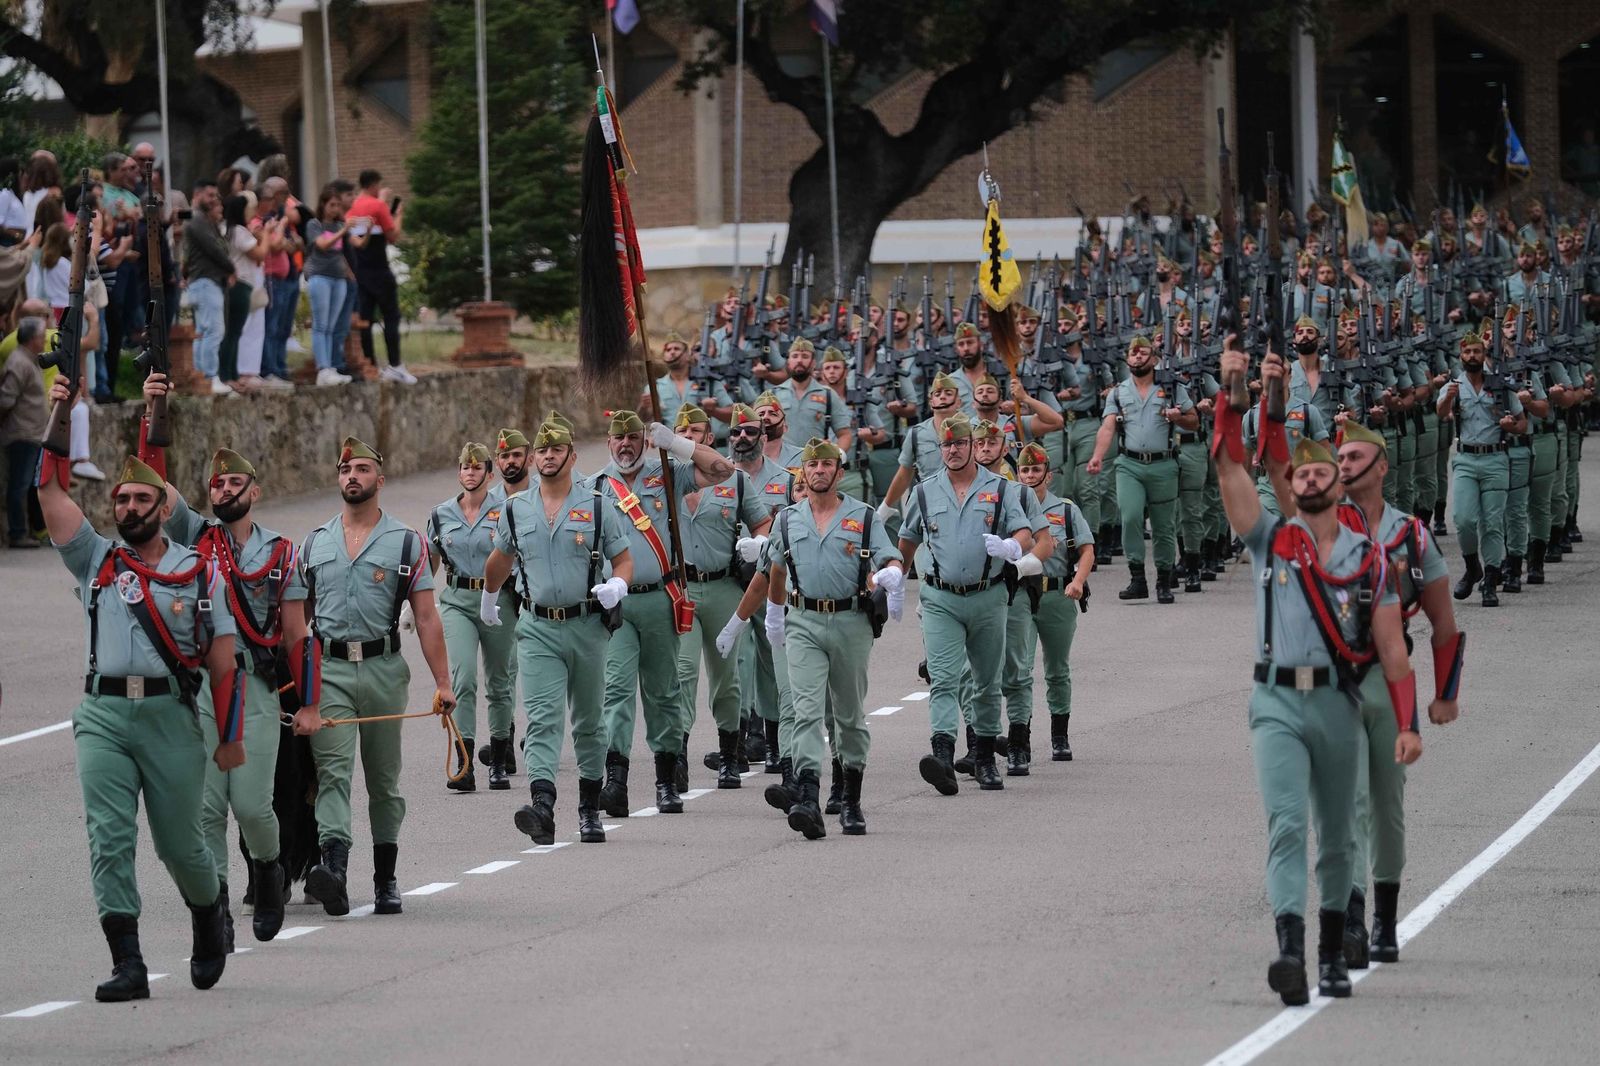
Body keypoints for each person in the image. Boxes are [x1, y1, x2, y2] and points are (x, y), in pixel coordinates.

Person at [1210, 341, 1417, 1006]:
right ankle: (1291, 953)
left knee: (1338, 832)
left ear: (1336, 481)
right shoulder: (1271, 539)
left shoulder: (1368, 559)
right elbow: (1230, 473)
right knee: (1288, 827)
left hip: (1339, 705)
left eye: (1316, 471)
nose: (1303, 478)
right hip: (1276, 701)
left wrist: (1406, 723)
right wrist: (1231, 393)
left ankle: (1333, 952)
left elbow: (1392, 651)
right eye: (1294, 474)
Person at [35, 410, 243, 1002]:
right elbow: (47, 487)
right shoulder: (95, 560)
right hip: (102, 717)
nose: (126, 507)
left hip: (169, 718)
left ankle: (207, 913)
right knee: (109, 838)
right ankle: (128, 961)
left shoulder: (199, 573)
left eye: (139, 498)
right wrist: (59, 404)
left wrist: (230, 737)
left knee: (179, 844)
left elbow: (223, 667)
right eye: (120, 499)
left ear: (160, 506)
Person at [146, 397, 312, 948]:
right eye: (215, 486)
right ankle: (213, 903)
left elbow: (295, 636)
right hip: (202, 692)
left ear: (254, 491)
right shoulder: (196, 538)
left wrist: (308, 704)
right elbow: (154, 484)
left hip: (255, 691)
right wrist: (155, 409)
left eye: (233, 484)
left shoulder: (281, 552)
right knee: (207, 808)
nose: (222, 492)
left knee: (251, 805)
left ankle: (269, 871)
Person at [291, 438, 456, 917]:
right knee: (332, 775)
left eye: (362, 469)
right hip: (331, 671)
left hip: (384, 670)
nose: (352, 476)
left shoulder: (407, 542)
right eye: (345, 469)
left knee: (384, 781)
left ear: (379, 481)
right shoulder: (315, 543)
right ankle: (335, 872)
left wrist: (444, 684)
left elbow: (426, 617)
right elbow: (298, 622)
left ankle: (386, 878)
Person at [1332, 422, 1463, 968]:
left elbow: (1443, 621)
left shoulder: (1412, 536)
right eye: (1337, 456)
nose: (1343, 465)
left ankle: (1385, 919)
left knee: (1386, 805)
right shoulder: (1323, 527)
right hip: (1338, 679)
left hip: (1391, 676)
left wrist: (1446, 693)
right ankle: (1354, 920)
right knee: (1348, 803)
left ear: (1381, 466)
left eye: (1355, 455)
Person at [482, 415, 633, 845]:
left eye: (557, 449)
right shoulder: (515, 508)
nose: (549, 456)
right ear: (534, 458)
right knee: (543, 720)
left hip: (587, 625)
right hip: (537, 628)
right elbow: (500, 558)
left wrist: (618, 583)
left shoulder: (598, 505)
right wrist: (489, 597)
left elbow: (623, 558)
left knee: (588, 721)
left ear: (572, 454)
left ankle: (589, 809)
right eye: (542, 450)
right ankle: (543, 806)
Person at [758, 438, 903, 837]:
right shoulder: (787, 520)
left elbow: (889, 556)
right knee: (806, 711)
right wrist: (773, 614)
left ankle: (851, 800)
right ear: (802, 472)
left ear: (840, 473)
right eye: (812, 465)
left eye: (827, 465)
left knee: (848, 715)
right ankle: (807, 797)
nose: (819, 471)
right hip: (803, 620)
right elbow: (775, 571)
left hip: (851, 622)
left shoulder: (865, 517)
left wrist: (892, 572)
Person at [595, 410, 735, 816]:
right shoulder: (596, 487)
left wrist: (677, 444)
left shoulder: (668, 473)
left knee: (664, 692)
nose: (626, 445)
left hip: (660, 597)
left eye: (634, 438)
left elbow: (722, 470)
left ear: (645, 440)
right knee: (617, 691)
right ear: (608, 443)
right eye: (618, 439)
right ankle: (615, 781)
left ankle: (666, 780)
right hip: (617, 605)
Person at [898, 413, 1041, 794]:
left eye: (960, 443)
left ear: (973, 447)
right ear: (940, 449)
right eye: (947, 444)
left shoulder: (1000, 488)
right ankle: (942, 756)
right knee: (944, 678)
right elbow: (907, 540)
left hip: (988, 595)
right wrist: (895, 579)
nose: (954, 450)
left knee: (987, 682)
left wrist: (1013, 546)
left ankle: (983, 758)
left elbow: (1026, 532)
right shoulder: (925, 491)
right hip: (941, 597)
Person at [669, 404, 771, 787]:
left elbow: (763, 522)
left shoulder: (735, 479)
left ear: (709, 439)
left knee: (727, 677)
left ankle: (731, 753)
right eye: (683, 433)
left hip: (724, 586)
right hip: (681, 589)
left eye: (696, 432)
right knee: (681, 673)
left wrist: (758, 543)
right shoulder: (663, 479)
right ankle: (676, 756)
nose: (690, 438)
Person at [426, 442, 517, 791]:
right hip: (458, 599)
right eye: (465, 467)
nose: (470, 472)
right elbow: (430, 560)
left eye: (477, 467)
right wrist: (413, 603)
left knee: (499, 679)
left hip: (497, 598)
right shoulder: (441, 514)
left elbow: (517, 555)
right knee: (461, 677)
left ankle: (497, 759)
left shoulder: (507, 509)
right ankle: (464, 762)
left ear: (489, 474)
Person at [1086, 335, 1198, 604]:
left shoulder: (1172, 388)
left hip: (1164, 464)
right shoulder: (1118, 392)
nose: (1137, 356)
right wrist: (1097, 457)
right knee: (1131, 516)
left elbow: (1194, 421)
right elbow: (1108, 427)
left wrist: (1178, 417)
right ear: (1127, 358)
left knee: (1163, 525)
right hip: (1129, 465)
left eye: (1142, 352)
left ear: (1154, 357)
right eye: (1133, 353)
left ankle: (1163, 580)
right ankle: (1137, 578)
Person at [1003, 442, 1094, 766]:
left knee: (1057, 670)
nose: (1029, 476)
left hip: (1057, 595)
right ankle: (1020, 740)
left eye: (1035, 470)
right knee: (1020, 668)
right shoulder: (1011, 509)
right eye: (1024, 470)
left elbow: (1086, 550)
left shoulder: (1066, 510)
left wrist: (1078, 581)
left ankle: (1060, 736)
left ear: (1048, 475)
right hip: (1023, 595)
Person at [1436, 330, 1524, 606]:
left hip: (1496, 458)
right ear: (1461, 356)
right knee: (1463, 519)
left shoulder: (1500, 384)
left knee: (1493, 522)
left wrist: (1511, 426)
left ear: (1484, 355)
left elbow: (1522, 422)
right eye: (1467, 352)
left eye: (1477, 351)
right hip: (1465, 459)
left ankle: (1491, 579)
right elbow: (1440, 413)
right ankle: (1472, 566)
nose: (1472, 356)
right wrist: (1448, 398)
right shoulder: (1454, 385)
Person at [347, 170, 412, 383]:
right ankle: (395, 364)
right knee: (391, 317)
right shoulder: (378, 206)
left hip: (360, 270)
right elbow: (392, 235)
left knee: (365, 319)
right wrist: (398, 214)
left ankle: (370, 364)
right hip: (379, 269)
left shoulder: (354, 206)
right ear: (375, 184)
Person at [304, 184, 363, 386]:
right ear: (323, 205)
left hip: (338, 278)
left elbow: (354, 245)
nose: (336, 209)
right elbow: (322, 245)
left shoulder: (340, 226)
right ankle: (323, 368)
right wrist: (344, 230)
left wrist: (368, 228)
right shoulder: (314, 224)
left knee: (331, 324)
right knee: (320, 325)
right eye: (332, 205)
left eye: (338, 205)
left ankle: (331, 367)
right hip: (320, 277)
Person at [181, 181, 235, 395]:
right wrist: (231, 268)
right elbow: (215, 250)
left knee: (204, 330)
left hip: (206, 281)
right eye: (210, 195)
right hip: (205, 281)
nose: (214, 200)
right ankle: (210, 377)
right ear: (198, 195)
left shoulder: (206, 221)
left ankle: (202, 376)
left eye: (216, 196)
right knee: (213, 329)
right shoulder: (196, 220)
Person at [0, 313, 46, 546]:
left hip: (32, 433)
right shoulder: (19, 362)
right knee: (19, 484)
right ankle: (17, 533)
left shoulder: (29, 360)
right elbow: (6, 399)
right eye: (41, 336)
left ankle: (27, 530)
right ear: (31, 339)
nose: (44, 341)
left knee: (27, 485)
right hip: (22, 433)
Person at [221, 193, 274, 391]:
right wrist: (267, 234)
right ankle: (229, 374)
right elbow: (260, 253)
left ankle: (233, 373)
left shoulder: (229, 231)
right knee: (234, 331)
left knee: (234, 331)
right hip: (240, 284)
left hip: (243, 284)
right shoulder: (239, 232)